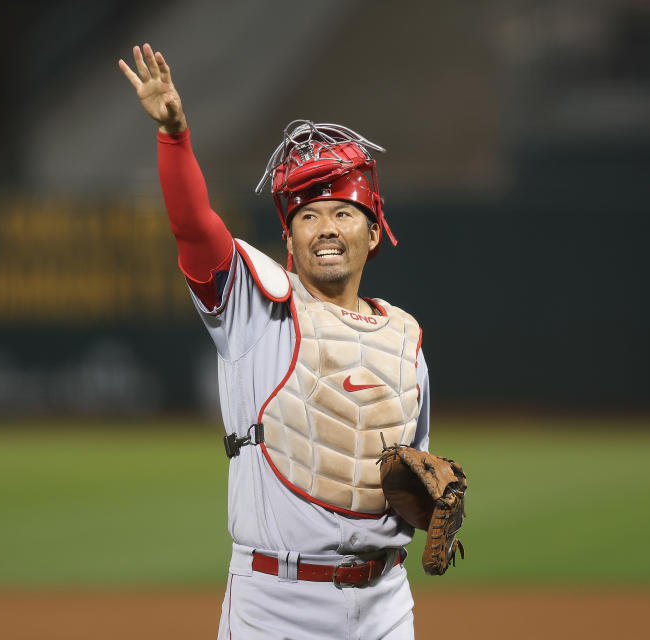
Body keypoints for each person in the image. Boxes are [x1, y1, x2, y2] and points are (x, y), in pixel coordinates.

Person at [120, 42, 432, 639]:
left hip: (385, 605)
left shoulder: (405, 339)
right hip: (276, 606)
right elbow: (194, 229)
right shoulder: (254, 309)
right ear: (289, 238)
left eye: (342, 212)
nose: (326, 229)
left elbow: (410, 470)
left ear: (374, 230)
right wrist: (174, 136)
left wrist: (421, 497)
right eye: (307, 216)